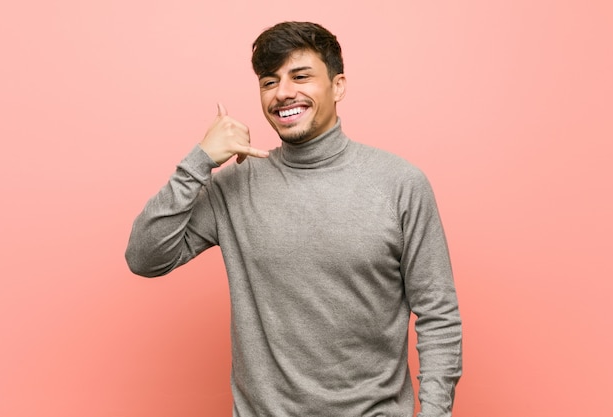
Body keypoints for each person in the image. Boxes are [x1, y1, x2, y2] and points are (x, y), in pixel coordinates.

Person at [126, 21, 462, 417]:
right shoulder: (235, 186)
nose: (283, 92)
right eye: (270, 82)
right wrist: (199, 160)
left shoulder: (401, 183)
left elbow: (439, 313)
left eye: (300, 76)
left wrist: (435, 412)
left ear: (338, 86)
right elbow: (144, 258)